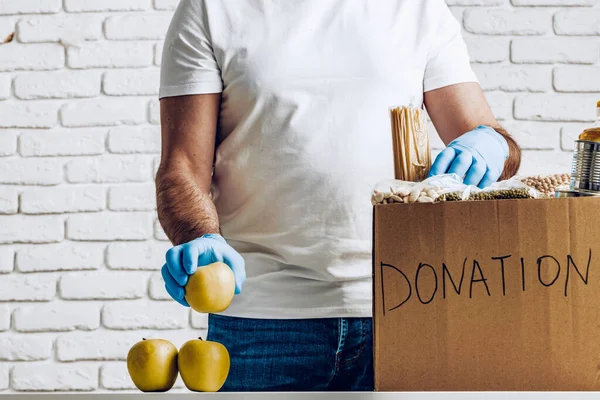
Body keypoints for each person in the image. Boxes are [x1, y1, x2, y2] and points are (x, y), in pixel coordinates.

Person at [156, 0, 521, 392]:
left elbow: (492, 138)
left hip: (406, 307)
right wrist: (198, 236)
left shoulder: (418, 9)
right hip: (262, 320)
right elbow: (181, 168)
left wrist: (490, 144)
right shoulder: (210, 8)